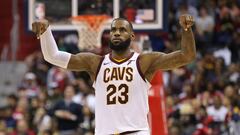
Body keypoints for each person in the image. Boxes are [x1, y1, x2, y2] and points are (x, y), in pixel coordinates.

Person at [32, 14, 196, 135]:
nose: (117, 33)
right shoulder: (95, 62)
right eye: (113, 30)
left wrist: (187, 29)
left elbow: (186, 56)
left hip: (135, 131)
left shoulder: (144, 61)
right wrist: (45, 31)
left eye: (122, 30)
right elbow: (52, 56)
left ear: (132, 36)